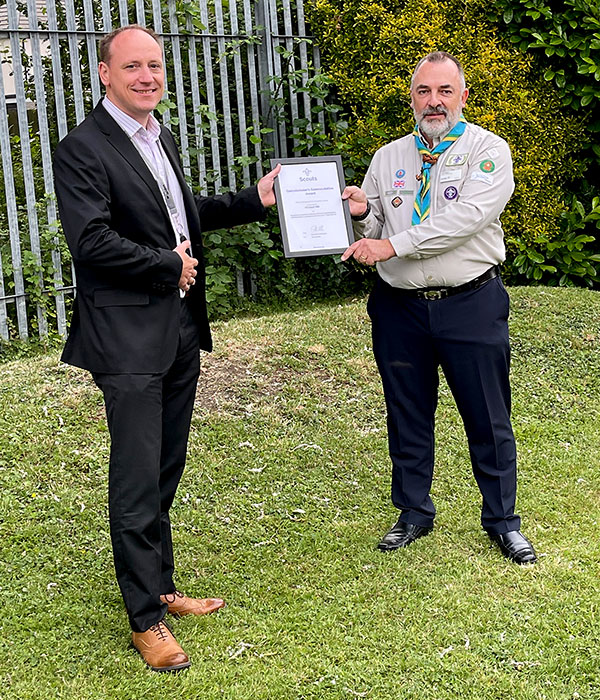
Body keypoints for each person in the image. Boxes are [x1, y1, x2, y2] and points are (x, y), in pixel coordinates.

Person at [53, 24, 280, 672]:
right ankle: (144, 621)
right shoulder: (83, 148)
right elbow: (90, 241)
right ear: (105, 73)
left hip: (178, 328)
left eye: (155, 65)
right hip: (126, 337)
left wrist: (252, 201)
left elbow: (181, 217)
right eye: (133, 67)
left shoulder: (158, 134)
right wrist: (164, 266)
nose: (147, 76)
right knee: (134, 477)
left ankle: (161, 586)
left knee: (163, 468)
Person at [341, 51, 536, 566]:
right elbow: (376, 226)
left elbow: (466, 219)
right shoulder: (387, 157)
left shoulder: (487, 150)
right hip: (399, 308)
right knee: (406, 413)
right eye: (424, 91)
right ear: (411, 98)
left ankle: (501, 521)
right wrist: (363, 213)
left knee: (488, 416)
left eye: (444, 91)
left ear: (463, 96)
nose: (434, 102)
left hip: (469, 301)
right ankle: (412, 513)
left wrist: (393, 245)